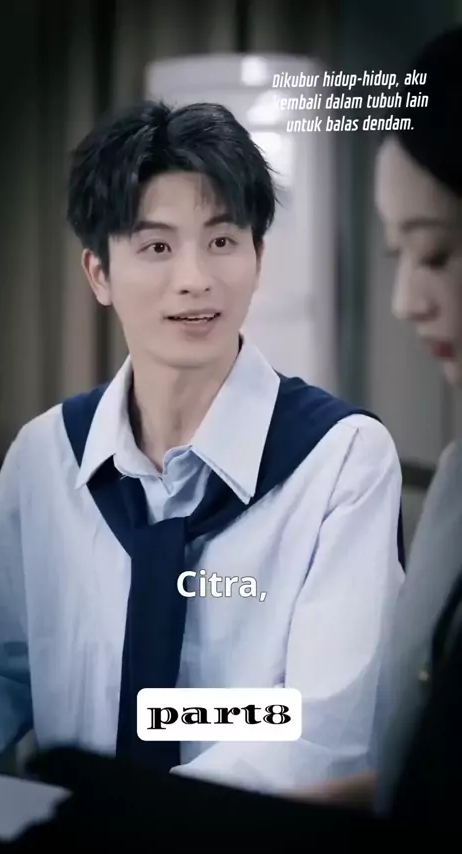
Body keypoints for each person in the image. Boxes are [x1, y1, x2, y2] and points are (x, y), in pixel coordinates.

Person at [0, 99, 404, 795]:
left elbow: (326, 729)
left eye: (222, 241)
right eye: (156, 247)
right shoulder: (46, 458)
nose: (195, 279)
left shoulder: (341, 461)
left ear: (259, 258)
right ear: (98, 274)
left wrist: (143, 821)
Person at [291, 24, 462, 813]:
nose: (405, 303)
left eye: (435, 254)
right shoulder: (456, 483)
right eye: (399, 256)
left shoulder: (350, 459)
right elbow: (415, 777)